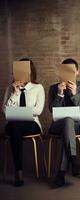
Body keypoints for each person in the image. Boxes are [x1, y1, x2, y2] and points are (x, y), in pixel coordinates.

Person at [2, 58, 45, 187]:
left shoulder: (38, 88)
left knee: (16, 126)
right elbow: (4, 111)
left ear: (31, 72)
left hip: (31, 124)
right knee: (15, 127)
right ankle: (19, 170)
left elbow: (38, 110)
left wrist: (18, 113)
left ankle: (18, 172)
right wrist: (14, 94)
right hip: (14, 125)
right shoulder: (10, 88)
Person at [48, 58, 80, 188]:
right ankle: (74, 159)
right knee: (67, 121)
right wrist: (60, 94)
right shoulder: (54, 88)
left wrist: (74, 94)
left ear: (77, 71)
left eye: (71, 70)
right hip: (57, 125)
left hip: (76, 126)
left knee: (69, 122)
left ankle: (61, 174)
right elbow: (52, 110)